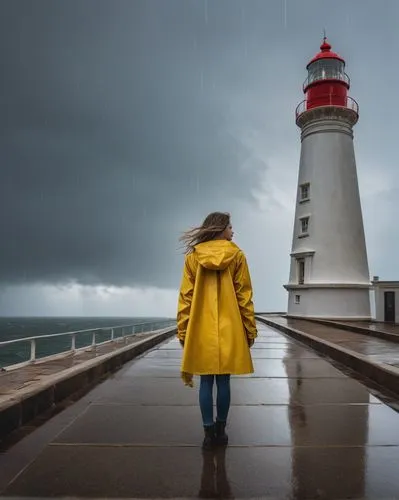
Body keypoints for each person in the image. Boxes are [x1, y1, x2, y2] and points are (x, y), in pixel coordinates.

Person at [177, 212, 257, 450]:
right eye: (230, 227)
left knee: (205, 382)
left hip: (201, 327)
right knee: (223, 381)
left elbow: (186, 297)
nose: (233, 231)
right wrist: (249, 329)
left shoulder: (193, 257)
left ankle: (207, 433)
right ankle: (221, 432)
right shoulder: (237, 255)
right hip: (230, 327)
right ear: (221, 228)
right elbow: (245, 296)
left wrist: (183, 330)